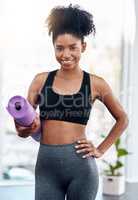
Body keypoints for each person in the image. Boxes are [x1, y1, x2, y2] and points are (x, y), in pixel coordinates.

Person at [14, 4, 129, 200]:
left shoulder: (96, 84)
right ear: (53, 47)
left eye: (72, 47)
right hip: (46, 170)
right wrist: (22, 129)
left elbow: (122, 118)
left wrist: (100, 149)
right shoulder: (40, 81)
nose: (66, 54)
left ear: (83, 46)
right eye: (59, 48)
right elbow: (23, 125)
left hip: (82, 170)